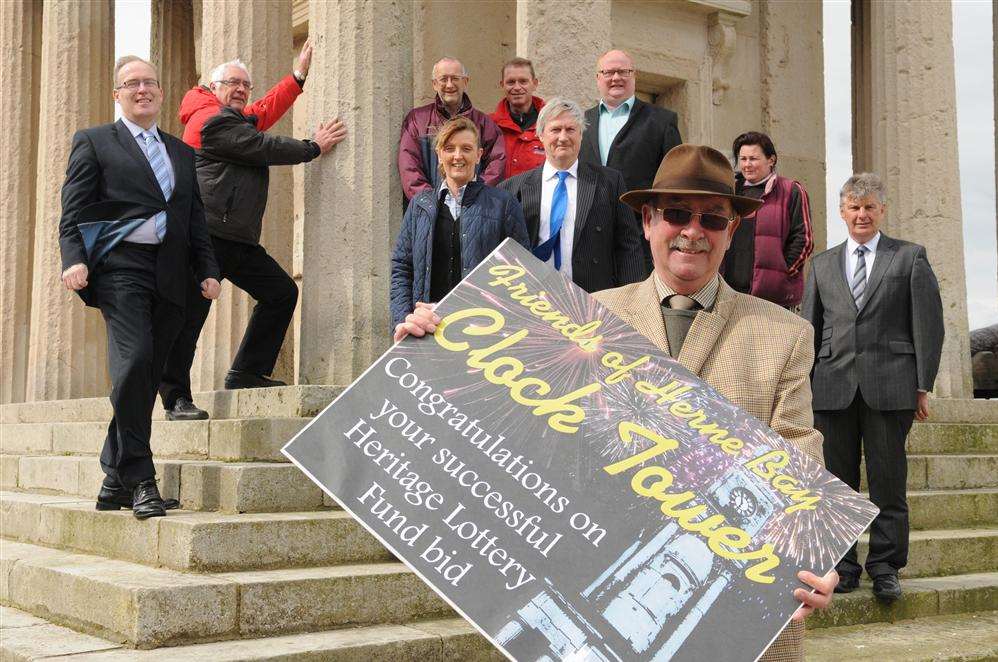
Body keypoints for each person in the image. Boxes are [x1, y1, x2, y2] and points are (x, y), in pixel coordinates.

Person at [395, 144, 839, 661]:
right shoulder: (584, 315)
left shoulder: (783, 334)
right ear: (648, 221)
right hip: (588, 580)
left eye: (713, 219)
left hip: (721, 620)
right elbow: (500, 411)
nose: (693, 231)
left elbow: (798, 458)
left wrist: (812, 558)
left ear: (732, 231)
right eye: (676, 214)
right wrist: (429, 347)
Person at [59, 56, 221, 519]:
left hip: (172, 273)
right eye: (132, 84)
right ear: (118, 95)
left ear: (161, 92)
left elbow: (194, 220)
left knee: (147, 374)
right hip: (120, 269)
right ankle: (142, 480)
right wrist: (73, 259)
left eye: (150, 82)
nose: (142, 90)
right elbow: (73, 211)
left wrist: (208, 269)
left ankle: (113, 479)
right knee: (132, 363)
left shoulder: (182, 153)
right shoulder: (93, 142)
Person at [159, 41, 346, 420]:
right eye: (233, 83)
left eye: (246, 84)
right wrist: (313, 147)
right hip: (205, 237)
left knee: (280, 293)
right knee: (190, 319)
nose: (242, 90)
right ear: (213, 88)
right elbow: (260, 143)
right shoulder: (208, 120)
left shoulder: (231, 116)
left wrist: (297, 77)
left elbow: (261, 112)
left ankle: (246, 372)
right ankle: (175, 398)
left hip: (237, 238)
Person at [802, 173, 944, 603]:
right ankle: (843, 566)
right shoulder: (821, 264)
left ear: (882, 211)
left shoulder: (909, 257)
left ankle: (886, 566)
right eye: (853, 207)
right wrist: (803, 386)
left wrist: (922, 385)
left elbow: (929, 324)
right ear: (842, 212)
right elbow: (810, 328)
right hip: (831, 386)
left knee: (887, 483)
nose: (861, 214)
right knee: (836, 487)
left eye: (869, 207)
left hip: (891, 386)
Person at [390, 117, 529, 331]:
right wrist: (402, 321)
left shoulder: (503, 204)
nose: (457, 156)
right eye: (449, 148)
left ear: (479, 154)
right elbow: (402, 267)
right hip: (427, 327)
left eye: (466, 148)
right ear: (439, 153)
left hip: (483, 327)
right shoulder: (420, 205)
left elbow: (520, 271)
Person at [500, 98, 644, 293]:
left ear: (581, 135)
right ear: (540, 135)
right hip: (534, 300)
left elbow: (629, 246)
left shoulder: (609, 183)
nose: (563, 137)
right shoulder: (512, 189)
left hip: (594, 298)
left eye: (570, 130)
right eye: (555, 129)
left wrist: (631, 299)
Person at [579, 49, 682, 273]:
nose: (616, 78)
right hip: (588, 239)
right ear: (598, 78)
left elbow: (675, 181)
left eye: (623, 72)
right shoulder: (580, 123)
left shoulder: (661, 121)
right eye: (608, 72)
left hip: (640, 238)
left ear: (634, 76)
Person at [721, 131, 814, 309]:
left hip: (773, 300)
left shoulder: (791, 191)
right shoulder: (729, 192)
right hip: (729, 296)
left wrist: (782, 275)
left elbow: (804, 240)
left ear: (771, 160)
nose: (747, 165)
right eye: (743, 159)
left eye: (753, 159)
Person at [398, 57, 506, 202]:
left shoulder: (484, 124)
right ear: (434, 84)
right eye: (443, 79)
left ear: (465, 82)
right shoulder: (416, 120)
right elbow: (409, 169)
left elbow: (496, 165)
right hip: (430, 214)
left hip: (474, 209)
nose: (449, 85)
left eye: (455, 78)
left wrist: (473, 196)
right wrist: (433, 204)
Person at [491, 57, 546, 178]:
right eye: (511, 82)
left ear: (535, 84)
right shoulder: (489, 126)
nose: (517, 87)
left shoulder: (551, 124)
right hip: (499, 196)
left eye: (523, 81)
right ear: (502, 85)